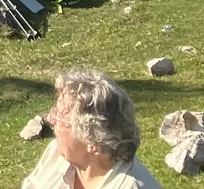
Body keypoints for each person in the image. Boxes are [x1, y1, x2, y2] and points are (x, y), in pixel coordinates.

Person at [20, 69, 159, 189]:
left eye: (59, 119)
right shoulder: (55, 155)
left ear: (91, 142)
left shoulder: (128, 185)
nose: (50, 120)